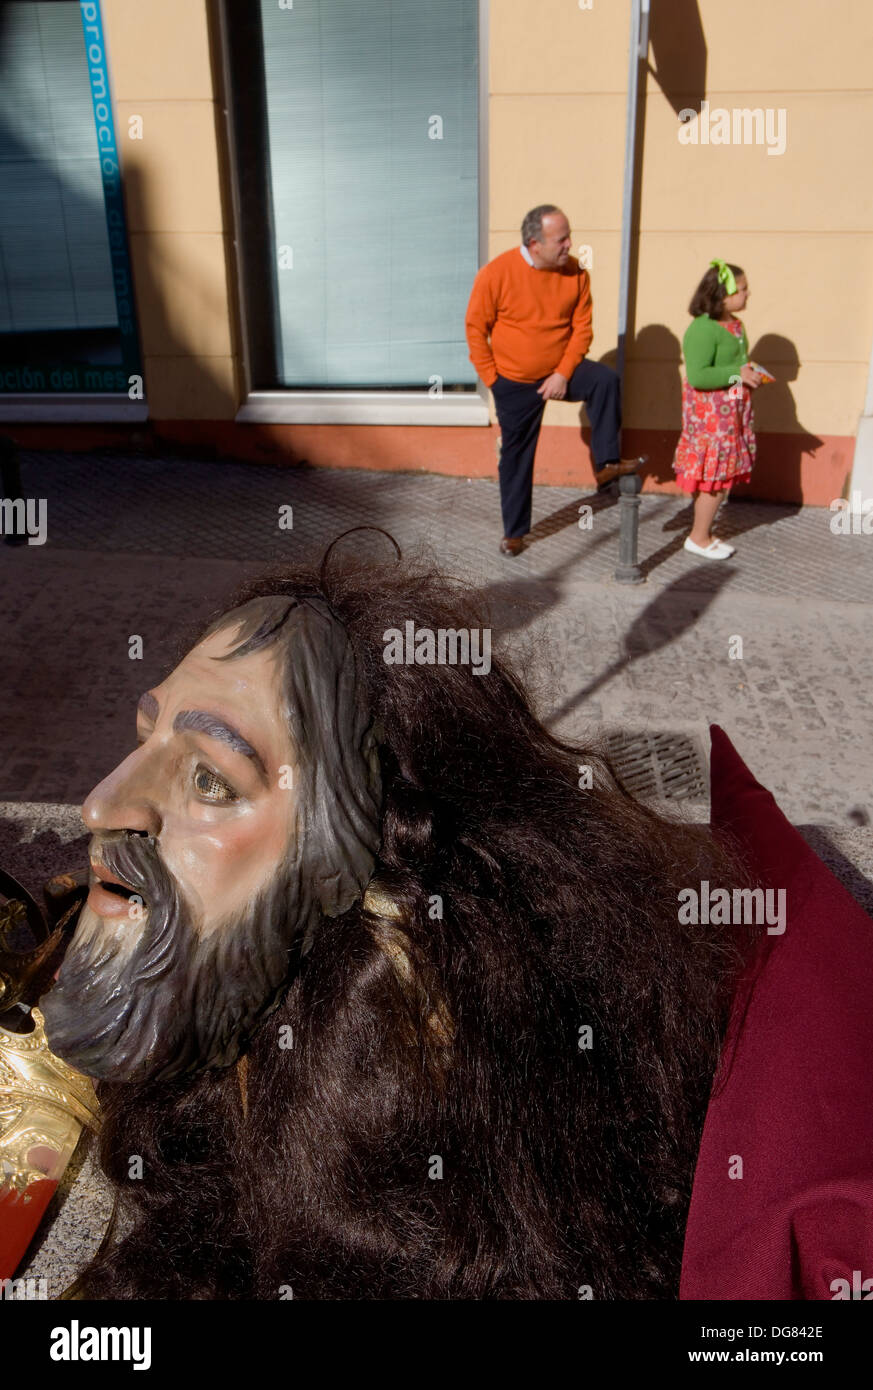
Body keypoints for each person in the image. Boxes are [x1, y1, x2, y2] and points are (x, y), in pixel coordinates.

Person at [37, 547, 755, 1300]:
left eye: (211, 780)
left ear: (350, 875)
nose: (102, 804)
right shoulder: (212, 1046)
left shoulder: (389, 1159)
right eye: (144, 736)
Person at [465, 205, 643, 556]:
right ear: (535, 243)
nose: (569, 245)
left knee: (604, 380)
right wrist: (493, 379)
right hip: (513, 380)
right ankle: (514, 533)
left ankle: (607, 463)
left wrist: (563, 372)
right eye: (561, 239)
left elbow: (582, 329)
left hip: (561, 369)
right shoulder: (496, 274)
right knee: (516, 456)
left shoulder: (576, 273)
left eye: (568, 237)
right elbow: (475, 329)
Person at [673, 260, 762, 560]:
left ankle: (706, 532)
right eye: (743, 288)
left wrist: (748, 376)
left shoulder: (735, 325)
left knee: (722, 478)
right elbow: (699, 376)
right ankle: (698, 537)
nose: (748, 294)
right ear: (723, 294)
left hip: (730, 416)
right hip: (711, 420)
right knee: (714, 480)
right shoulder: (702, 329)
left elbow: (736, 364)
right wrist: (737, 374)